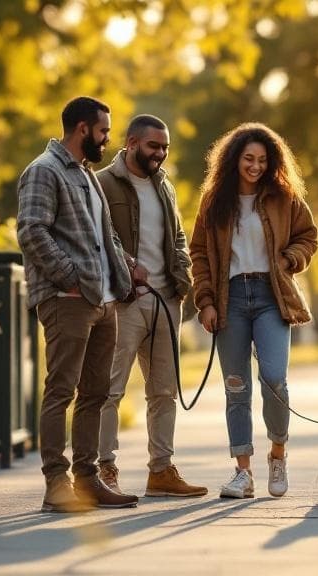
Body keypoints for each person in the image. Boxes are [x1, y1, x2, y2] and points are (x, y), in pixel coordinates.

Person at [17, 96, 142, 512]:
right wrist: (70, 278)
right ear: (83, 129)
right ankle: (57, 484)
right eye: (104, 131)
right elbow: (32, 232)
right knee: (61, 390)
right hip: (67, 299)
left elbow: (102, 234)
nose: (108, 139)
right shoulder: (43, 171)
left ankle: (87, 481)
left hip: (103, 300)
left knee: (95, 393)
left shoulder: (87, 176)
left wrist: (123, 267)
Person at [189, 122, 318, 498]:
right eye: (248, 158)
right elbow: (198, 253)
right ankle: (242, 472)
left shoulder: (284, 196)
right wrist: (206, 301)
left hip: (270, 295)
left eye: (263, 159)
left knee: (274, 380)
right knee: (236, 387)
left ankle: (277, 454)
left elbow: (308, 236)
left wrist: (291, 258)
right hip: (229, 298)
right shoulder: (214, 201)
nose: (256, 166)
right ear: (234, 160)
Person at [94, 114, 207, 498]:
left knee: (164, 392)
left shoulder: (165, 186)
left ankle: (161, 471)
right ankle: (104, 469)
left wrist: (183, 277)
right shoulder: (102, 184)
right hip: (124, 303)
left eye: (164, 147)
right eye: (152, 146)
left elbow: (177, 234)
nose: (159, 153)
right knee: (110, 389)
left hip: (166, 301)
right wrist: (128, 266)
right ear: (130, 143)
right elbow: (99, 236)